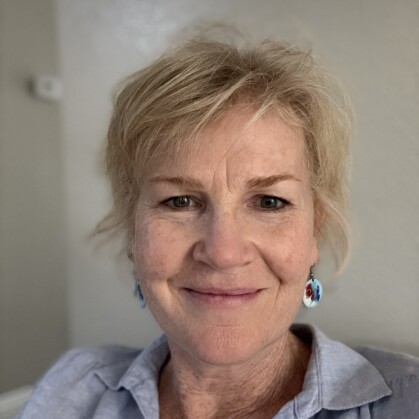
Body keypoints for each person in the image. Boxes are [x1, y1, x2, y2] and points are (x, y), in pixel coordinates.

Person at [18, 39, 419, 419]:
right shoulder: (74, 386)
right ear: (133, 230)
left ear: (314, 231)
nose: (224, 253)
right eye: (180, 201)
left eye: (269, 202)